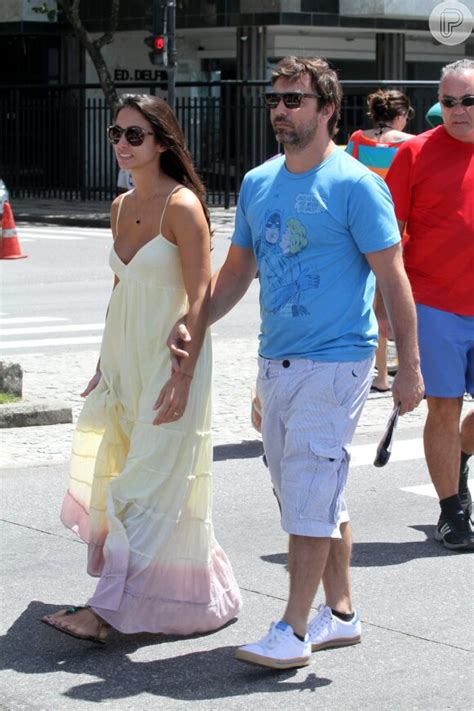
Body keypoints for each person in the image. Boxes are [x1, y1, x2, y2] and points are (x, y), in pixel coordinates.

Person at [169, 57, 424, 669]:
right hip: (277, 360)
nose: (280, 109)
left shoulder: (357, 185)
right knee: (310, 493)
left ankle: (291, 630)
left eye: (294, 99)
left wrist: (410, 367)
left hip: (336, 362)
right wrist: (194, 320)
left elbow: (394, 279)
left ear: (328, 108)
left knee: (310, 488)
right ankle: (340, 615)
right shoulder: (259, 183)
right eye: (274, 98)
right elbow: (236, 273)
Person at [41, 94, 242, 643]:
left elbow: (200, 297)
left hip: (169, 363)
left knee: (143, 486)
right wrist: (102, 365)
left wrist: (183, 377)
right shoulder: (118, 205)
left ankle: (107, 611)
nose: (122, 145)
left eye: (135, 135)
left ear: (161, 142)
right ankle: (196, 593)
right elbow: (119, 289)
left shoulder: (182, 206)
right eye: (116, 133)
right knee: (126, 474)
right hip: (125, 364)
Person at [386, 58, 474, 552]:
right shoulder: (415, 154)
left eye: (468, 101)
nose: (458, 110)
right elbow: (386, 239)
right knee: (443, 406)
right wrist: (386, 309)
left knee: (460, 424)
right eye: (449, 101)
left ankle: (460, 451)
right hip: (435, 304)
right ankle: (452, 512)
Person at [346, 89, 415, 393]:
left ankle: (381, 375)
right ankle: (407, 363)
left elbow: (345, 176)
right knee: (400, 294)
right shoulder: (411, 144)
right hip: (399, 225)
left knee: (373, 297)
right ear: (400, 116)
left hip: (362, 224)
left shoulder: (357, 139)